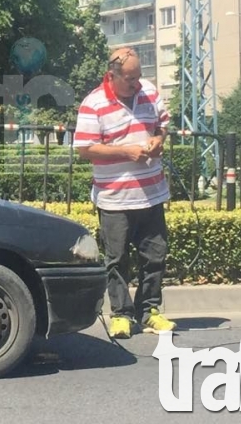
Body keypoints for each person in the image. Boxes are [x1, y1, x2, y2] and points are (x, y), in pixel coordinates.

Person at [73, 47, 177, 339]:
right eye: (130, 78)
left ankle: (150, 311)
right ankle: (121, 314)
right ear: (113, 75)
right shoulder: (94, 103)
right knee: (116, 259)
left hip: (151, 193)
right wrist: (126, 152)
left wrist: (158, 141)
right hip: (114, 198)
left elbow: (163, 127)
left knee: (155, 256)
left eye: (139, 76)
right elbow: (85, 149)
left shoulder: (150, 93)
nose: (136, 83)